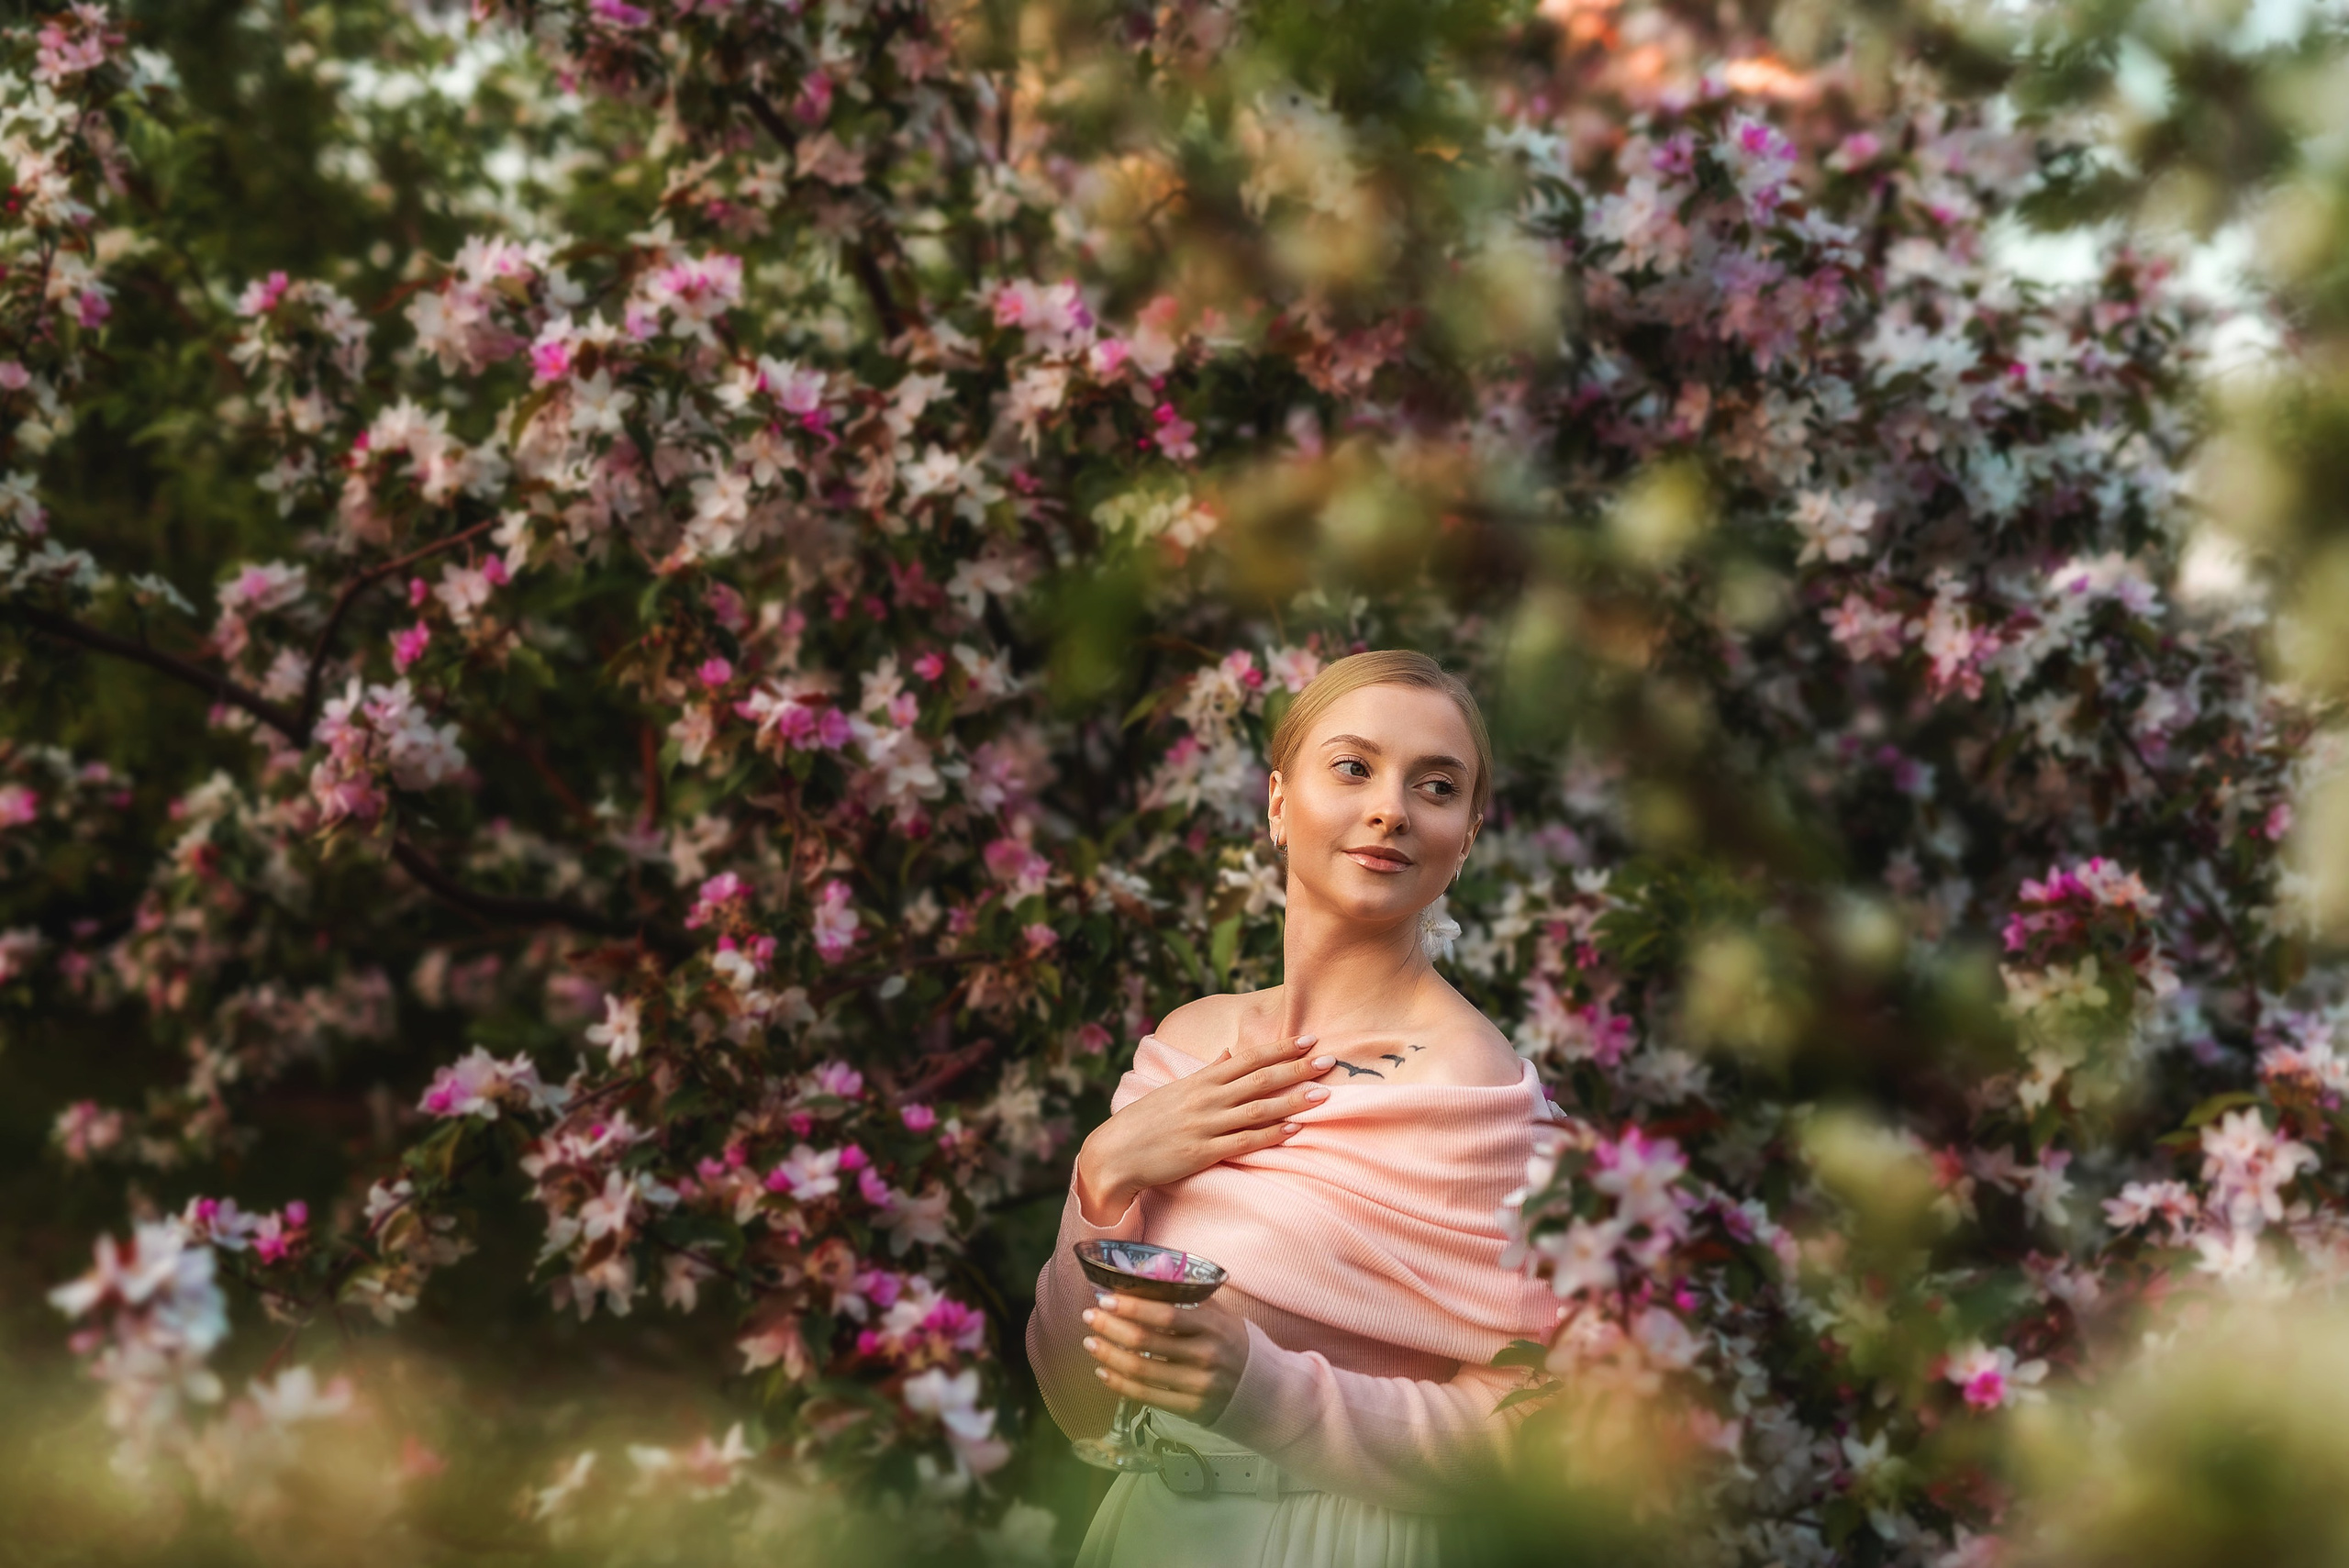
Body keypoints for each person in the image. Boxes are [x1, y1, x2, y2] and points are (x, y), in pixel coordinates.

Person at [1027, 651, 1565, 1567]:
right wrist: (1104, 1168)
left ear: (1466, 834)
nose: (1391, 806)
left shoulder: (1482, 1101)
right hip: (1145, 1527)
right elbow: (1077, 1400)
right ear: (1278, 802)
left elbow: (1545, 1432)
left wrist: (1261, 1385)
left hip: (1333, 1538)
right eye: (1353, 766)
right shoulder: (1185, 1046)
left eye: (1436, 785)